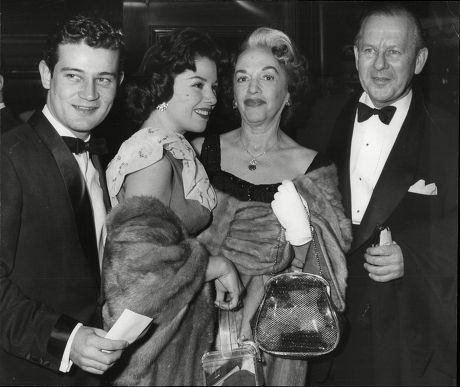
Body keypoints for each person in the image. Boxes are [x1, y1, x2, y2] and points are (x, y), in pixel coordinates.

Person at [193, 27, 352, 386]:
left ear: (289, 91)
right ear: (232, 94)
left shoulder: (313, 168)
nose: (253, 89)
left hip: (275, 338)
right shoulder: (199, 151)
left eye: (267, 77)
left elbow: (329, 281)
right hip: (198, 332)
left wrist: (302, 235)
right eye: (242, 78)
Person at [308, 4, 458, 386]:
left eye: (394, 52)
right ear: (356, 55)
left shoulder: (450, 134)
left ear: (419, 59)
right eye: (370, 51)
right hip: (322, 333)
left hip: (406, 342)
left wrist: (412, 255)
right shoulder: (317, 121)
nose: (379, 66)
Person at [103, 27, 243, 385]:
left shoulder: (173, 149)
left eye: (213, 86)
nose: (211, 97)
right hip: (152, 359)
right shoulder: (151, 158)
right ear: (163, 87)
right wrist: (215, 265)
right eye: (197, 85)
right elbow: (139, 278)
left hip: (175, 343)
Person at [0, 15, 128, 386]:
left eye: (102, 79)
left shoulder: (100, 157)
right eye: (73, 76)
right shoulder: (7, 156)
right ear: (45, 75)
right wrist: (67, 340)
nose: (89, 95)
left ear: (117, 83)